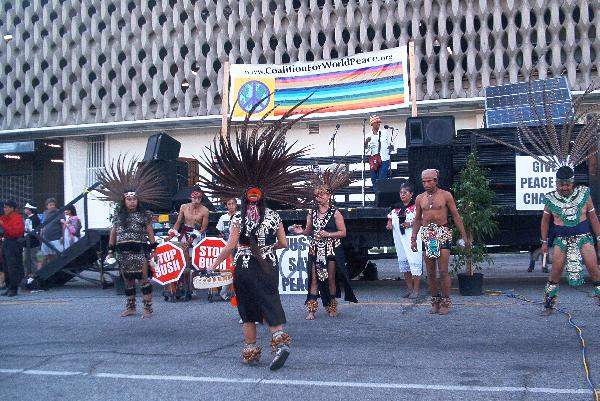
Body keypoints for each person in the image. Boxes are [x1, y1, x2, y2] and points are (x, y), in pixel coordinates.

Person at [199, 109, 311, 371]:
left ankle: (250, 351)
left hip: (245, 267)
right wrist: (268, 246)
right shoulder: (274, 216)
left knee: (248, 309)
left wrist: (212, 266)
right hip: (268, 267)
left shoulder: (238, 217)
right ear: (263, 196)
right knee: (270, 301)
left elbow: (230, 245)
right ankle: (280, 343)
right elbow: (283, 244)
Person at [97, 157, 170, 319]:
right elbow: (113, 233)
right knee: (128, 281)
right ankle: (130, 307)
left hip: (139, 251)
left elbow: (150, 232)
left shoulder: (144, 215)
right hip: (123, 253)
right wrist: (110, 251)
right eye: (129, 199)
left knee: (143, 280)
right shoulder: (118, 216)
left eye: (134, 199)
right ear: (124, 200)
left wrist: (153, 249)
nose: (132, 202)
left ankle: (148, 308)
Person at [290, 164, 358, 320]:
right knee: (313, 278)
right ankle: (312, 309)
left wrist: (328, 233)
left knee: (331, 278)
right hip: (315, 249)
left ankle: (332, 306)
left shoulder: (335, 213)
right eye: (316, 195)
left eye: (321, 195)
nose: (318, 197)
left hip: (331, 250)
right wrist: (300, 231)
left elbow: (343, 232)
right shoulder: (311, 212)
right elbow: (308, 231)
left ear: (328, 196)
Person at [540, 166, 600, 314]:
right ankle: (548, 306)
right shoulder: (550, 199)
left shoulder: (584, 194)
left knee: (594, 271)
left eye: (567, 184)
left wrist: (599, 237)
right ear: (556, 183)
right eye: (561, 185)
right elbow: (545, 221)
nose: (564, 188)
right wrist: (544, 242)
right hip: (561, 240)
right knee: (555, 272)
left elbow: (593, 217)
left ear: (572, 183)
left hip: (584, 238)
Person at [411, 169, 470, 315]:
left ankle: (446, 300)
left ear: (436, 180)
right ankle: (435, 301)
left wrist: (464, 236)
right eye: (424, 181)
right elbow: (418, 218)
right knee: (430, 272)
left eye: (429, 181)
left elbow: (456, 216)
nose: (426, 184)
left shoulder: (445, 195)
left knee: (443, 270)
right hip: (428, 235)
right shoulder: (420, 198)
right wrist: (413, 237)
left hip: (442, 232)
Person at [386, 182, 423, 299]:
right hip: (400, 238)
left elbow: (422, 220)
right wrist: (389, 224)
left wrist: (410, 223)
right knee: (404, 261)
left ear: (411, 194)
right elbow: (390, 218)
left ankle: (416, 290)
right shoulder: (396, 207)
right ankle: (410, 289)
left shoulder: (416, 207)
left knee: (414, 260)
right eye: (401, 192)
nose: (402, 195)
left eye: (405, 192)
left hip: (412, 236)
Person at [215, 198, 238, 301]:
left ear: (236, 205)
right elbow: (219, 232)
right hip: (225, 245)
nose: (231, 206)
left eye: (233, 203)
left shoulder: (239, 215)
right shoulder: (223, 217)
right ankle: (225, 291)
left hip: (237, 245)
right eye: (229, 204)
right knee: (226, 267)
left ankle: (232, 291)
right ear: (226, 205)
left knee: (235, 266)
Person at [0, 200, 25, 296]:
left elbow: (16, 232)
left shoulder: (17, 218)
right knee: (6, 266)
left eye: (7, 207)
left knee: (12, 266)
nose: (4, 209)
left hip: (14, 243)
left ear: (12, 208)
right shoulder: (4, 217)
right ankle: (9, 286)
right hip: (6, 242)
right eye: (4, 207)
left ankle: (14, 288)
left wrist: (3, 225)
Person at [364, 115, 393, 192]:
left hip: (384, 159)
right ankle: (377, 198)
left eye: (379, 123)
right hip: (374, 161)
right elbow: (366, 150)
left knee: (382, 179)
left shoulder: (385, 133)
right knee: (374, 179)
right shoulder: (368, 135)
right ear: (372, 124)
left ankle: (383, 197)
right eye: (377, 123)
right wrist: (366, 142)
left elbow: (390, 147)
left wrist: (391, 148)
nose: (378, 124)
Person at [40, 198, 63, 264]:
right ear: (47, 206)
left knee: (56, 255)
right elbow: (43, 224)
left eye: (53, 204)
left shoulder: (59, 213)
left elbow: (62, 225)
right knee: (47, 255)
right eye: (50, 205)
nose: (53, 206)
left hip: (56, 238)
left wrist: (62, 236)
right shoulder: (45, 213)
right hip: (46, 238)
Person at [23, 203, 41, 275]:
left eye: (26, 208)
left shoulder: (33, 218)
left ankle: (32, 276)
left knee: (32, 260)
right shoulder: (30, 218)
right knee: (27, 260)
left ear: (30, 210)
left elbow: (30, 231)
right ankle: (28, 275)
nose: (25, 210)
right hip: (29, 242)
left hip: (32, 243)